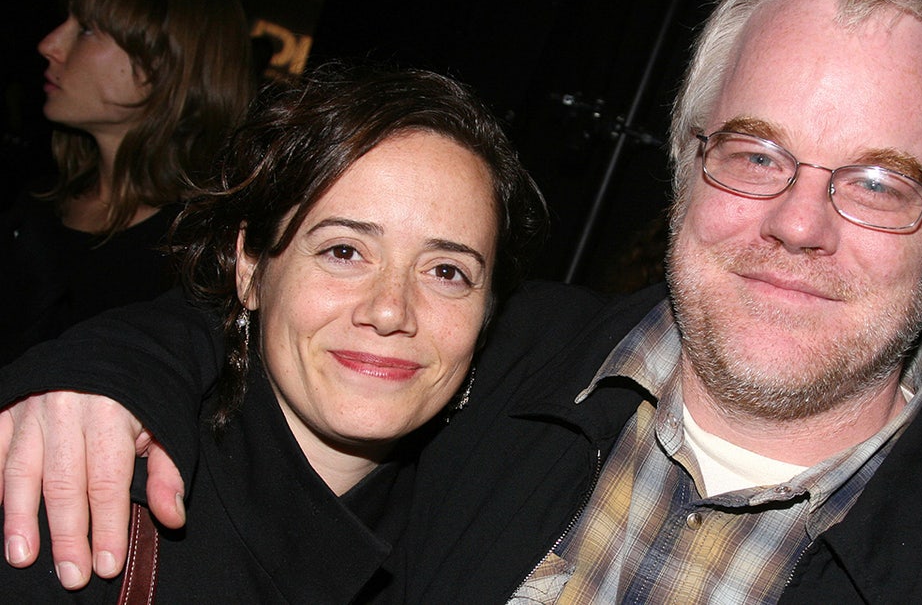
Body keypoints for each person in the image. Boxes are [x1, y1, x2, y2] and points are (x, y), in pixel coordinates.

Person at [0, 0, 922, 601]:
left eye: (878, 182)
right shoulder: (500, 362)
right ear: (684, 165)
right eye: (755, 153)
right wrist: (99, 378)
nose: (799, 224)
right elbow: (307, 330)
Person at [0, 64, 547, 599]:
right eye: (344, 251)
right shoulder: (82, 502)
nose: (390, 311)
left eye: (447, 271)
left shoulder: (475, 548)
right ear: (251, 269)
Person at [0, 0, 255, 365]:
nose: (49, 44)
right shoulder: (35, 204)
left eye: (86, 30)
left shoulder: (198, 260)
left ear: (163, 65)